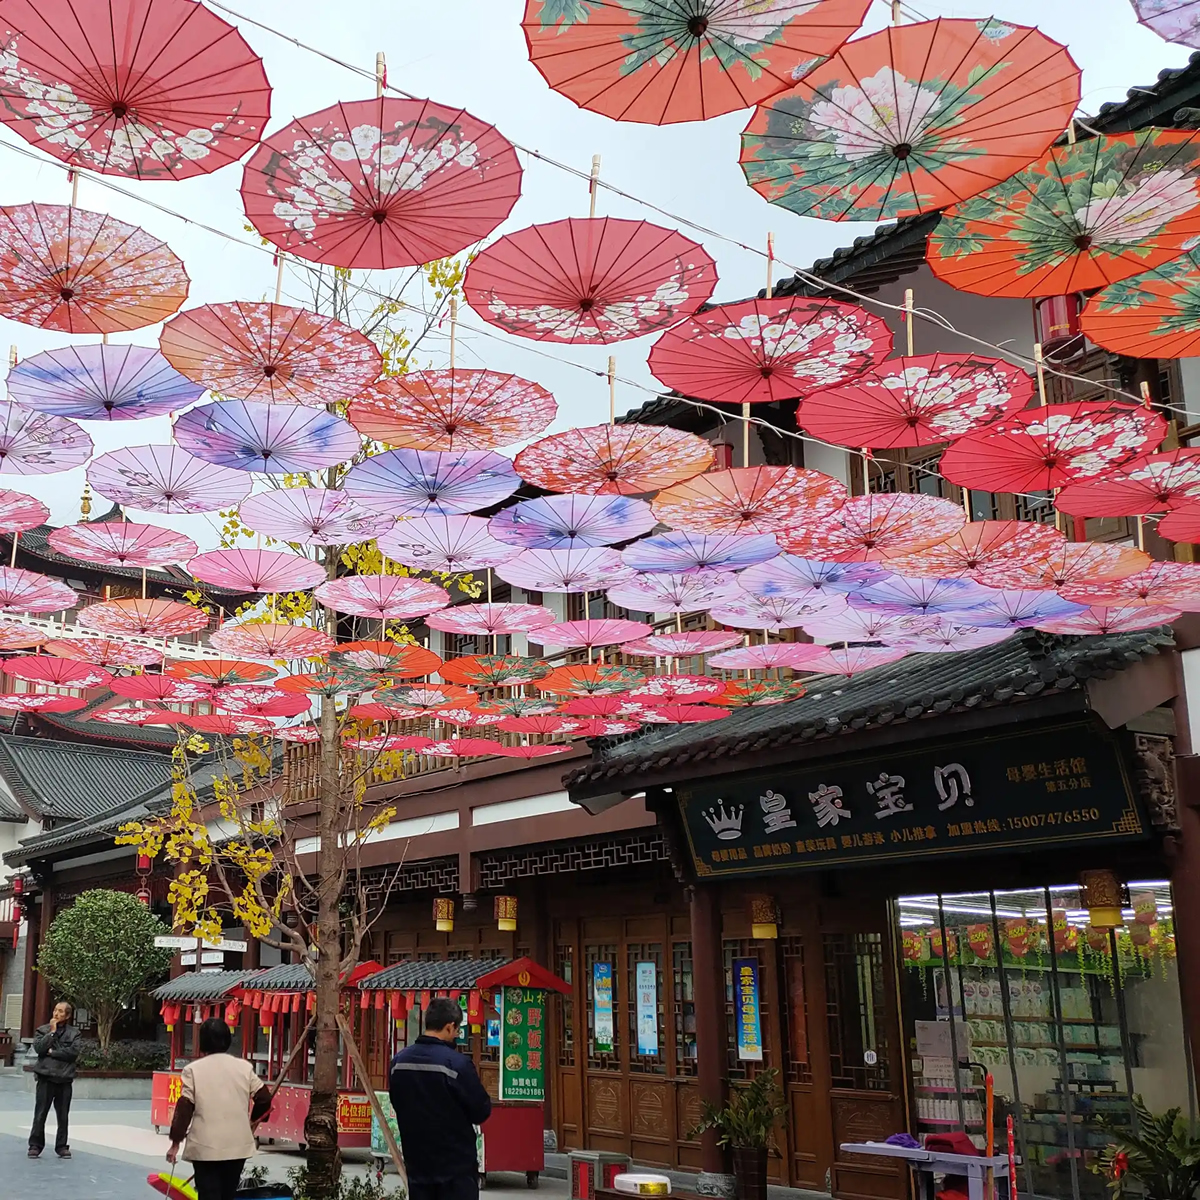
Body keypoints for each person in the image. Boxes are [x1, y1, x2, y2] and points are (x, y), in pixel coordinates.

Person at [389, 996, 493, 1200]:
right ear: (449, 1027)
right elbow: (480, 1110)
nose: (456, 1034)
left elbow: (397, 1101)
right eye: (456, 1030)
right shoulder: (457, 1064)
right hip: (455, 1169)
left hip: (417, 1163)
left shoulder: (398, 1062)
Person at [166, 1017, 273, 1200]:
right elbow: (263, 1098)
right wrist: (252, 1122)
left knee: (209, 1195)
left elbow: (185, 1107)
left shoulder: (193, 1070)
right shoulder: (244, 1068)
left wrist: (175, 1142)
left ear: (202, 1041)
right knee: (228, 1194)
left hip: (205, 1146)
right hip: (236, 1145)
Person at [28, 1000, 80, 1159]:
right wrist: (52, 1032)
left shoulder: (74, 1033)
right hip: (45, 1077)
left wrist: (52, 1052)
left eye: (61, 1011)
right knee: (40, 1113)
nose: (56, 1014)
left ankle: (62, 1146)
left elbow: (73, 1053)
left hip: (64, 1079)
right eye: (55, 1010)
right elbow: (39, 1049)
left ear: (68, 1015)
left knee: (63, 1115)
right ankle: (35, 1145)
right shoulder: (42, 1030)